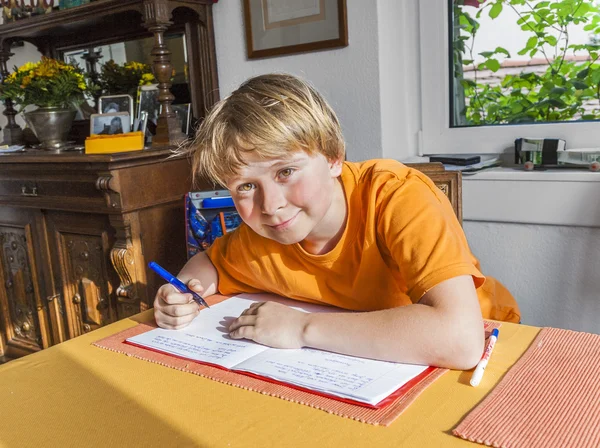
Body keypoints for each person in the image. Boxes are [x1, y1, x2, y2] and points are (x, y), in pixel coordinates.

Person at [153, 73, 520, 370]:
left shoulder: (397, 196)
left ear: (333, 158)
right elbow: (209, 264)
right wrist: (184, 290)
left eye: (286, 172)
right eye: (246, 186)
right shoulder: (265, 234)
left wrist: (301, 327)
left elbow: (459, 340)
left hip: (489, 343)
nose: (271, 205)